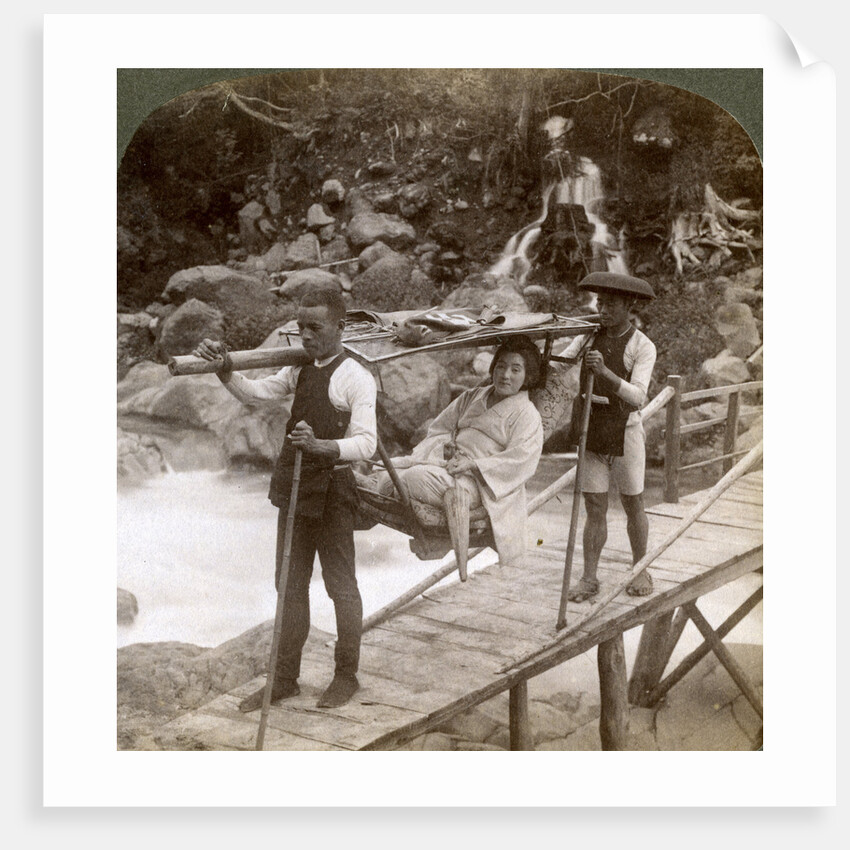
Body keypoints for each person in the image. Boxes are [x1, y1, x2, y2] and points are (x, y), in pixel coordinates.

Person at [193, 288, 377, 710]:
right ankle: (285, 679)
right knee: (289, 586)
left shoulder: (356, 377)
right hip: (295, 485)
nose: (306, 336)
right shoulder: (300, 368)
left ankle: (346, 676)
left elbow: (366, 443)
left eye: (315, 328)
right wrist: (224, 370)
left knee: (340, 586)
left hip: (333, 490)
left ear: (340, 328)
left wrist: (322, 446)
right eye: (301, 327)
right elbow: (255, 393)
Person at [371, 335, 544, 566]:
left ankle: (400, 488)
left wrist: (474, 465)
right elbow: (440, 428)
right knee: (385, 469)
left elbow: (522, 460)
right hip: (447, 466)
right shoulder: (473, 396)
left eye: (515, 369)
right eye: (501, 366)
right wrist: (445, 447)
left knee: (412, 478)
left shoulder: (527, 414)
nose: (505, 375)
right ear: (493, 368)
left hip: (479, 484)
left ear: (528, 376)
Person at [562, 272, 657, 602]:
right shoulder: (589, 336)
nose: (603, 310)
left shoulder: (642, 346)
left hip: (625, 430)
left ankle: (640, 567)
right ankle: (589, 578)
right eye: (600, 303)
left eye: (611, 305)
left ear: (629, 307)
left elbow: (639, 397)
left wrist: (604, 372)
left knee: (633, 503)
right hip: (591, 425)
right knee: (595, 506)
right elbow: (562, 363)